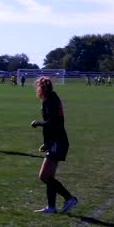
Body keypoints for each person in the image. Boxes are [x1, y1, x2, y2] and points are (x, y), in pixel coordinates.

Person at [31, 76, 78, 214]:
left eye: (38, 87)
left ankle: (70, 198)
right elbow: (53, 124)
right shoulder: (50, 99)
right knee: (48, 177)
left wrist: (36, 123)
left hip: (58, 141)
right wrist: (47, 143)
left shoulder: (50, 100)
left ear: (41, 88)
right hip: (55, 141)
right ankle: (51, 207)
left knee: (44, 176)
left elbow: (52, 123)